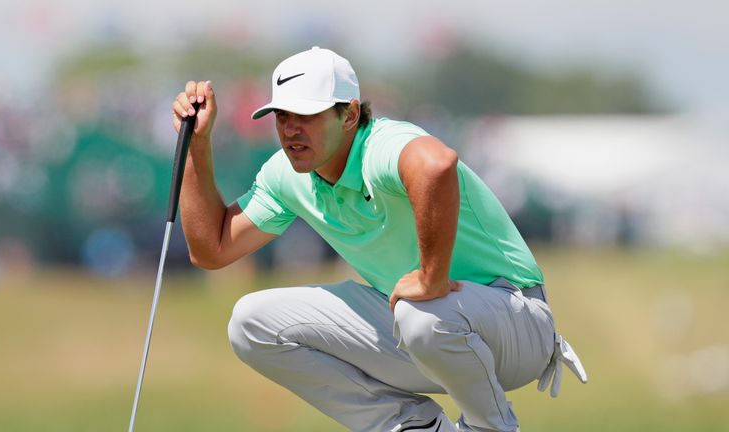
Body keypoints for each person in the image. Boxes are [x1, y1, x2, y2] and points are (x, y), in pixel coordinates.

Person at [171, 46, 587, 432]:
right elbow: (213, 249)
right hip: (424, 330)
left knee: (420, 311)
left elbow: (437, 165)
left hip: (515, 322)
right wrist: (198, 145)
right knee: (250, 323)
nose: (291, 129)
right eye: (282, 116)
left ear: (350, 115)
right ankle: (413, 425)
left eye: (307, 115)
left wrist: (431, 277)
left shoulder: (381, 144)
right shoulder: (287, 173)